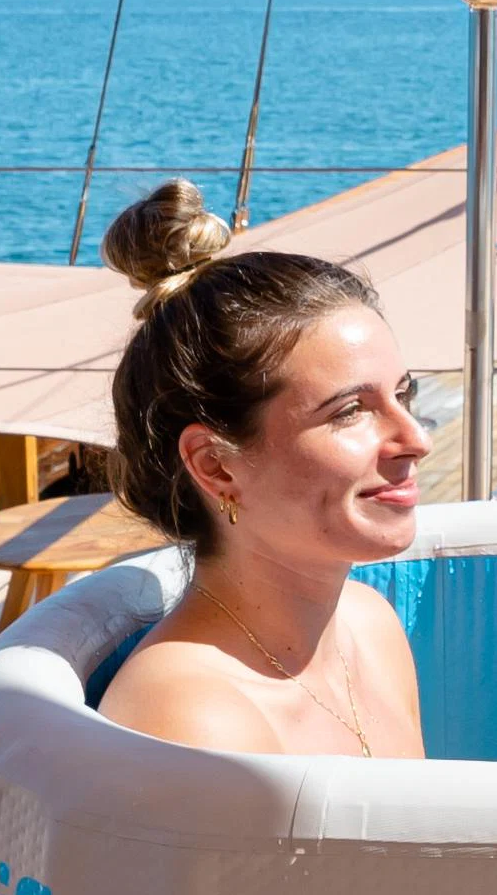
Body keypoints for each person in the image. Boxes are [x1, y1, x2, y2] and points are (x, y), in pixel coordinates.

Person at [86, 224, 434, 763]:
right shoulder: (188, 717)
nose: (417, 440)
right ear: (215, 465)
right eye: (350, 411)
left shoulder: (370, 626)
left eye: (403, 395)